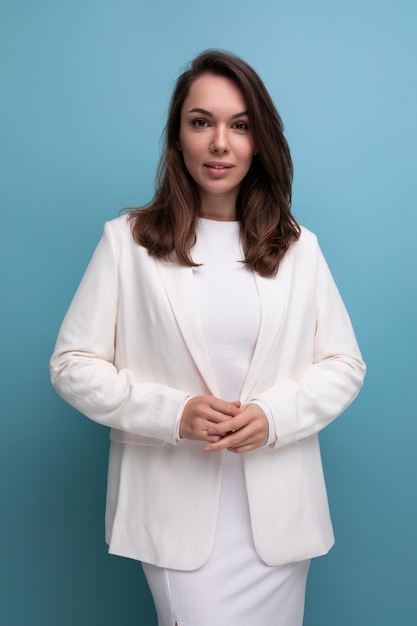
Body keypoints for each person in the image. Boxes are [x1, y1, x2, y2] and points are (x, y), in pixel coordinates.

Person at [50, 50, 366, 626]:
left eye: (239, 126)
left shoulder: (299, 247)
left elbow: (344, 364)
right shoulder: (127, 243)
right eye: (202, 122)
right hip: (176, 517)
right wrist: (175, 413)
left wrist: (275, 414)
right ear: (178, 138)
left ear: (258, 140)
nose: (220, 143)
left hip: (279, 523)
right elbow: (72, 364)